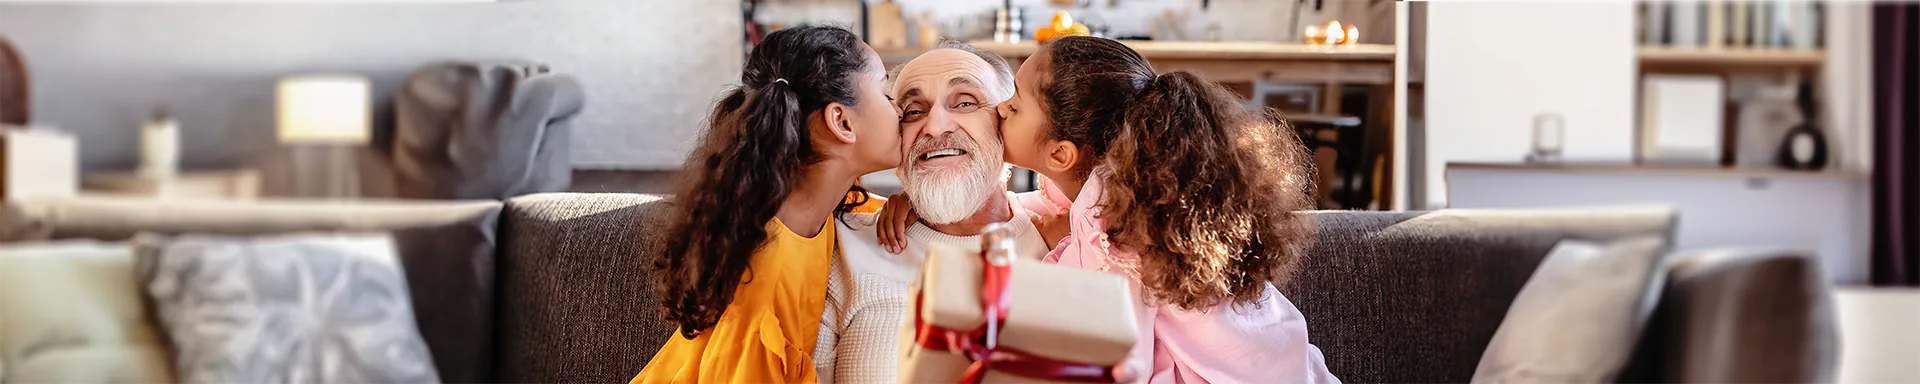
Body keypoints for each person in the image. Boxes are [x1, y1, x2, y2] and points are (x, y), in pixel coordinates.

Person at [999, 35, 1338, 383]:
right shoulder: (1146, 193)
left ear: (1060, 155)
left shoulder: (1111, 236)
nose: (999, 109)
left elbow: (1119, 363)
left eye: (1014, 107)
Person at [633, 26, 902, 384]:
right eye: (887, 93)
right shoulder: (763, 306)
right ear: (842, 122)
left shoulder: (816, 200)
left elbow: (871, 211)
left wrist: (906, 205)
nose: (901, 109)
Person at [809, 40, 1060, 384]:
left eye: (966, 102)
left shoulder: (1069, 241)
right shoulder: (844, 246)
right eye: (913, 111)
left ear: (1008, 128)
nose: (935, 126)